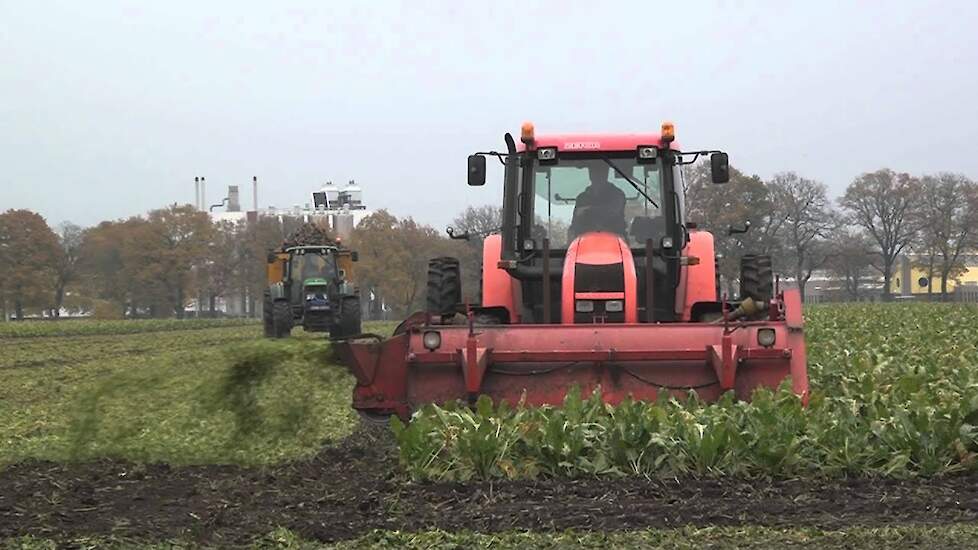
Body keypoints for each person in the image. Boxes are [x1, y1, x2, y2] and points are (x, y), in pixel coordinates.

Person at [568, 165, 627, 239]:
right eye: (593, 171)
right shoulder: (582, 198)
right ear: (590, 174)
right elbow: (575, 222)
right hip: (585, 241)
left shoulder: (617, 194)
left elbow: (613, 211)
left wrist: (587, 210)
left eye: (600, 171)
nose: (596, 174)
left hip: (615, 240)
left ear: (606, 173)